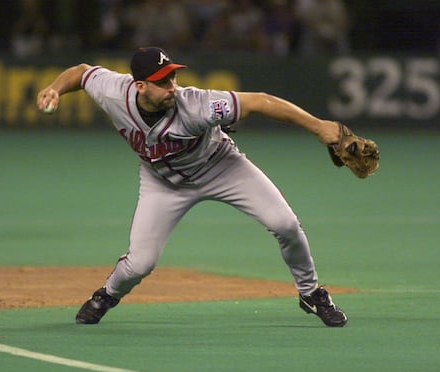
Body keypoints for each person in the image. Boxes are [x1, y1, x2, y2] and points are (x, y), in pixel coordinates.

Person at [36, 47, 348, 327]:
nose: (171, 87)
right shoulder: (114, 92)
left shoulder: (197, 105)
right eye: (162, 82)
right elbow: (80, 72)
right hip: (162, 184)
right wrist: (55, 88)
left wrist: (318, 126)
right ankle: (106, 295)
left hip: (222, 167)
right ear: (139, 86)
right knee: (140, 263)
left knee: (286, 224)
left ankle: (311, 293)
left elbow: (259, 102)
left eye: (172, 78)